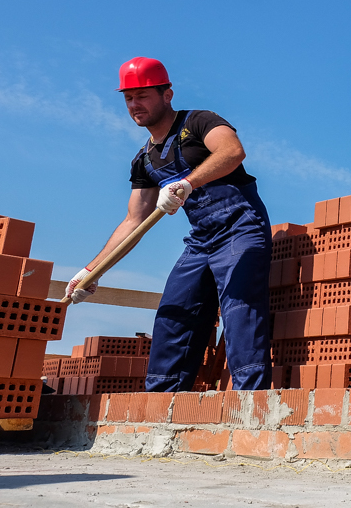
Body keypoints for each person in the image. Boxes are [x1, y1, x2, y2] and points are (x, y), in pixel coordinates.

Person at [67, 57, 273, 392]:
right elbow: (134, 221)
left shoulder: (200, 122)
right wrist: (91, 272)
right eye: (129, 98)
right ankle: (163, 406)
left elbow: (232, 152)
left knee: (239, 308)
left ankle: (249, 404)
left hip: (239, 228)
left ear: (167, 94)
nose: (135, 104)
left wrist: (188, 183)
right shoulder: (144, 160)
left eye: (143, 95)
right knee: (174, 314)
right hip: (201, 240)